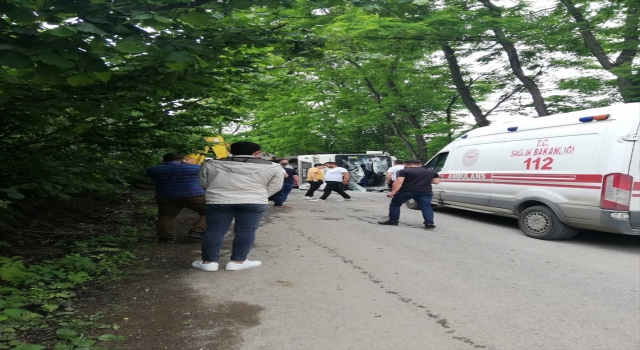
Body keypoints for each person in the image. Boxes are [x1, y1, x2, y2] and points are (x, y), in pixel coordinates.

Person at [193, 141, 284, 272]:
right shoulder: (274, 167)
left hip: (218, 201)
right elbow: (275, 186)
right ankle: (238, 262)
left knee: (214, 230)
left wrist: (216, 193)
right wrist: (259, 195)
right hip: (254, 201)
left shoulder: (211, 164)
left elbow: (204, 183)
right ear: (257, 153)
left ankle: (209, 262)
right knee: (246, 231)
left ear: (230, 151)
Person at [145, 153, 206, 243]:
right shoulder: (194, 168)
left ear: (164, 160)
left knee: (166, 217)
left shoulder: (153, 170)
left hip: (166, 196)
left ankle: (166, 238)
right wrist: (186, 165)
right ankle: (198, 231)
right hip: (194, 195)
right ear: (182, 160)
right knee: (213, 210)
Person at [378, 159, 440, 229]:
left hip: (406, 191)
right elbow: (436, 182)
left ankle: (393, 221)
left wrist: (393, 192)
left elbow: (399, 182)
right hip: (425, 191)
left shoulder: (403, 171)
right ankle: (429, 224)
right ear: (420, 165)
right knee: (426, 207)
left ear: (405, 165)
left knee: (395, 204)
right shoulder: (432, 172)